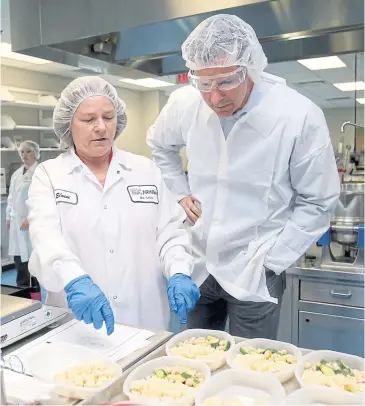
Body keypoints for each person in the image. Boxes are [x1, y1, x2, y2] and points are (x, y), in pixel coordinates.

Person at [147, 14, 340, 339]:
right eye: (204, 84)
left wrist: (273, 261)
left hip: (256, 266)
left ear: (250, 68)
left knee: (251, 367)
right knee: (195, 359)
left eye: (225, 82)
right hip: (199, 262)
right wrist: (180, 192)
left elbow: (319, 201)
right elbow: (160, 146)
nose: (214, 97)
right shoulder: (185, 104)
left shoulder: (297, 116)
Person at [27, 76, 199, 335]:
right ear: (68, 125)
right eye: (88, 120)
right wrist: (75, 279)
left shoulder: (145, 170)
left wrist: (179, 271)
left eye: (108, 118)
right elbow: (46, 237)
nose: (101, 127)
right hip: (78, 322)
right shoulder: (50, 175)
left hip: (145, 320)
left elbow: (170, 233)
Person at [6, 140, 40, 287]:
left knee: (33, 258)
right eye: (22, 152)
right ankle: (22, 289)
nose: (24, 155)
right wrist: (8, 217)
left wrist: (30, 218)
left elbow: (40, 199)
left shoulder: (39, 173)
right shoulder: (16, 174)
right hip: (16, 222)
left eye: (28, 151)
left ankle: (35, 289)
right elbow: (11, 198)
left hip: (31, 222)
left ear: (36, 154)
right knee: (19, 258)